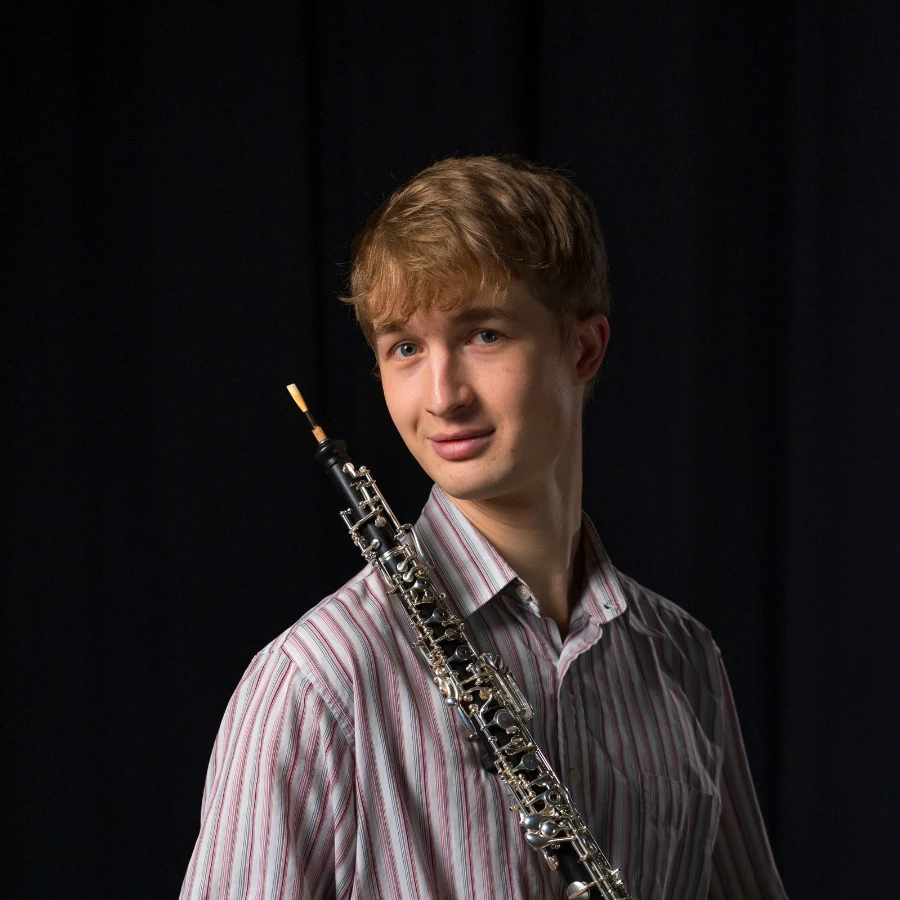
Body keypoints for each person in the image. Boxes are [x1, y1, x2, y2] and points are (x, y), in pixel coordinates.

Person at [181, 156, 788, 899]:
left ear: (584, 348)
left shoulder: (683, 660)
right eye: (405, 348)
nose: (442, 397)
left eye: (484, 335)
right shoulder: (314, 685)